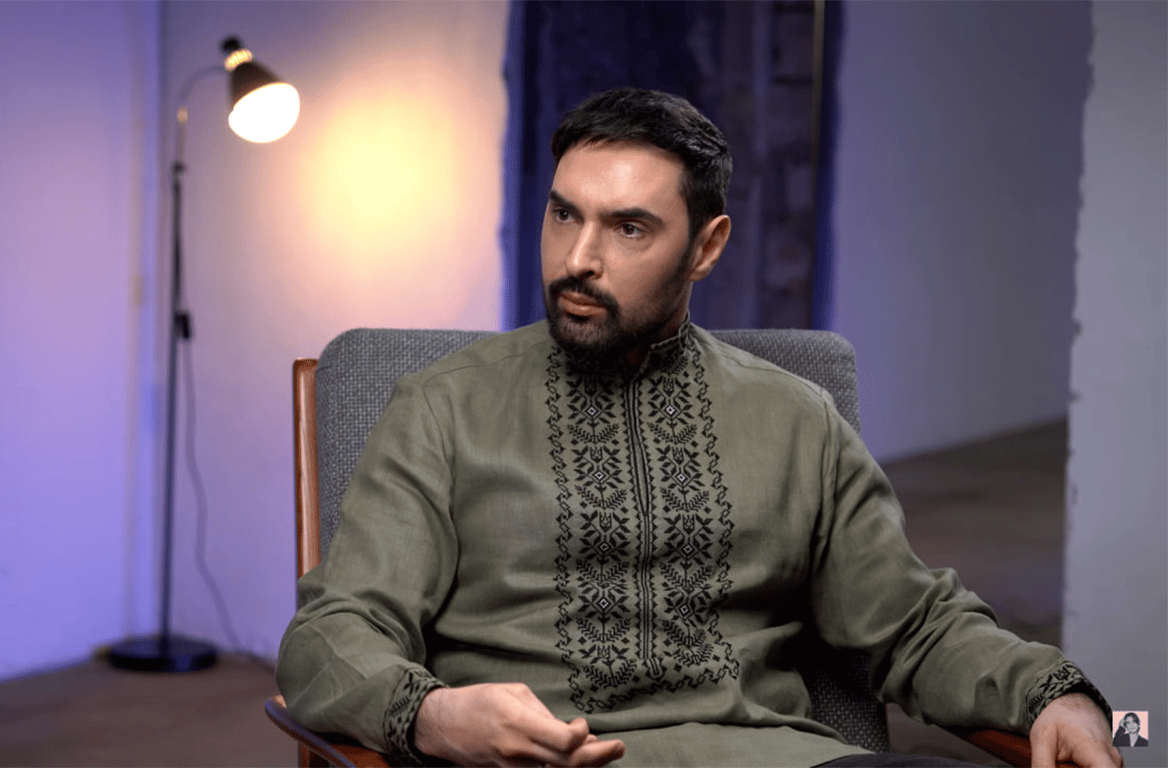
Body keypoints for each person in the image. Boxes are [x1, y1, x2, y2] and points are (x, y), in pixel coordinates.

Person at [276, 87, 1120, 768]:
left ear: (707, 247)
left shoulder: (795, 418)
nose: (577, 258)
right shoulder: (443, 408)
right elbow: (331, 636)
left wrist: (1054, 694)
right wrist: (431, 716)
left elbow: (915, 625)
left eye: (628, 227)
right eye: (563, 215)